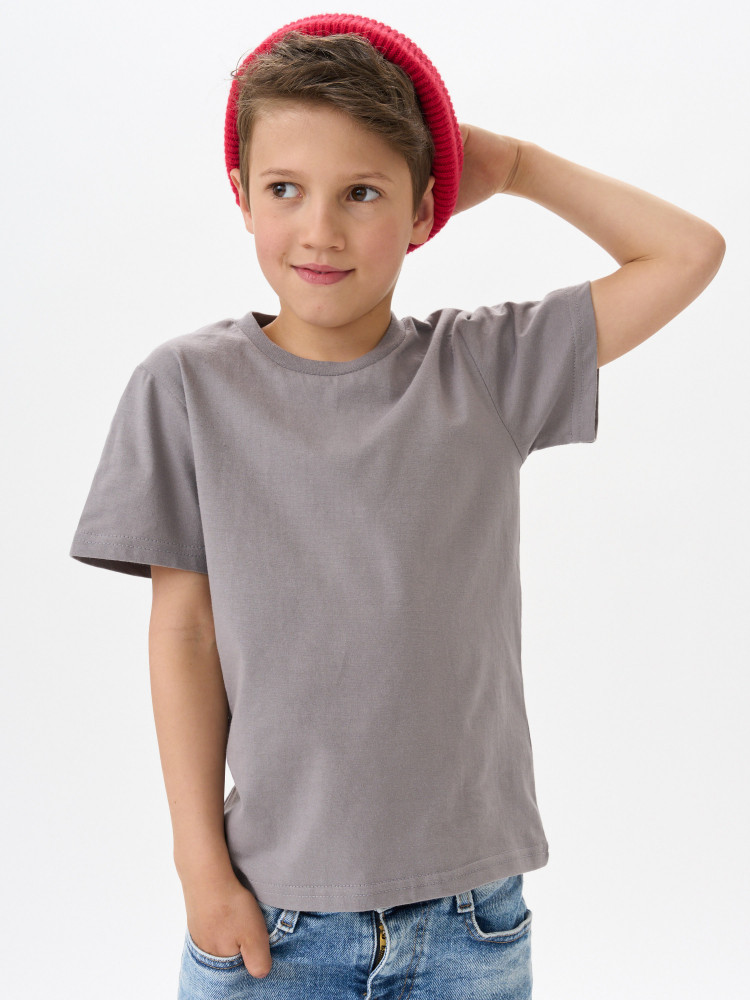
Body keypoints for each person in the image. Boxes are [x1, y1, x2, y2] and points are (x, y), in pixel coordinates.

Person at [68, 13, 724, 1000]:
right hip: (270, 918)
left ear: (423, 212)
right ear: (241, 195)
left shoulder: (485, 368)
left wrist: (515, 165)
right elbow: (185, 633)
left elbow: (688, 252)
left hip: (470, 921)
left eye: (363, 192)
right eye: (285, 189)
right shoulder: (184, 388)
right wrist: (200, 869)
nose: (320, 230)